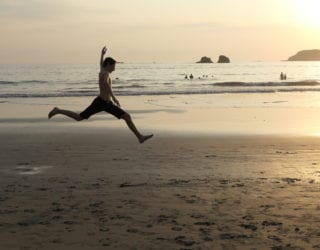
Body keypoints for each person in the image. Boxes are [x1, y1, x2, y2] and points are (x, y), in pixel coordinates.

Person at [48, 46, 153, 144]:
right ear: (108, 65)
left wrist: (102, 54)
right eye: (113, 65)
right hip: (101, 102)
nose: (114, 68)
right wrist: (114, 97)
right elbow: (106, 84)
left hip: (106, 103)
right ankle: (58, 110)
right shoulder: (105, 73)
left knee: (126, 116)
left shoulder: (102, 71)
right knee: (79, 117)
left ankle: (140, 137)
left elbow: (101, 64)